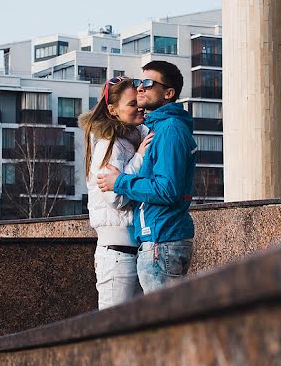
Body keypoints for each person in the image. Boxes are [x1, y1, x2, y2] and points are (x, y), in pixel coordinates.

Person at [97, 60, 197, 293]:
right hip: (159, 241)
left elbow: (167, 189)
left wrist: (120, 182)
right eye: (140, 82)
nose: (140, 87)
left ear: (169, 93)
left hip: (162, 242)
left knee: (161, 325)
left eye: (149, 83)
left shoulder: (170, 129)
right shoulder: (158, 128)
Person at [79, 76, 153, 310]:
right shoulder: (109, 144)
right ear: (112, 110)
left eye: (139, 102)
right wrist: (140, 158)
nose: (139, 107)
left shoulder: (130, 140)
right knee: (113, 335)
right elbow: (116, 197)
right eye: (132, 104)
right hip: (116, 255)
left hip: (133, 251)